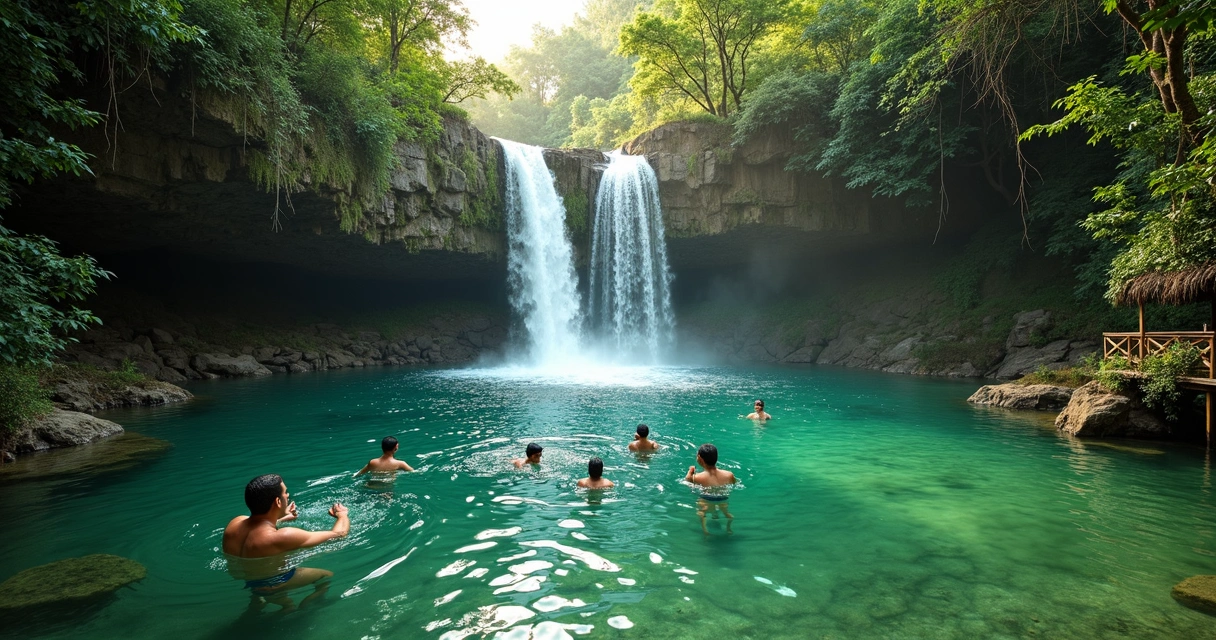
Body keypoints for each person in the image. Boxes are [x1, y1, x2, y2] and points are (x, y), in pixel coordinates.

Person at [222, 474, 349, 604]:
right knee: (326, 576)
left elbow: (258, 527)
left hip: (250, 582)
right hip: (276, 583)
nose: (288, 496)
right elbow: (340, 533)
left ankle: (265, 604)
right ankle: (306, 607)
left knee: (285, 603)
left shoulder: (234, 523)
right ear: (277, 502)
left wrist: (279, 516)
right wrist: (342, 515)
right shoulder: (283, 536)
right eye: (285, 493)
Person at [685, 444, 737, 534]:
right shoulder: (729, 474)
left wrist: (690, 471)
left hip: (706, 498)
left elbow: (687, 480)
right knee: (726, 513)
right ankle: (728, 526)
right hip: (723, 498)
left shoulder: (697, 477)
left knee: (701, 512)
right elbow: (735, 482)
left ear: (699, 458)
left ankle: (705, 531)